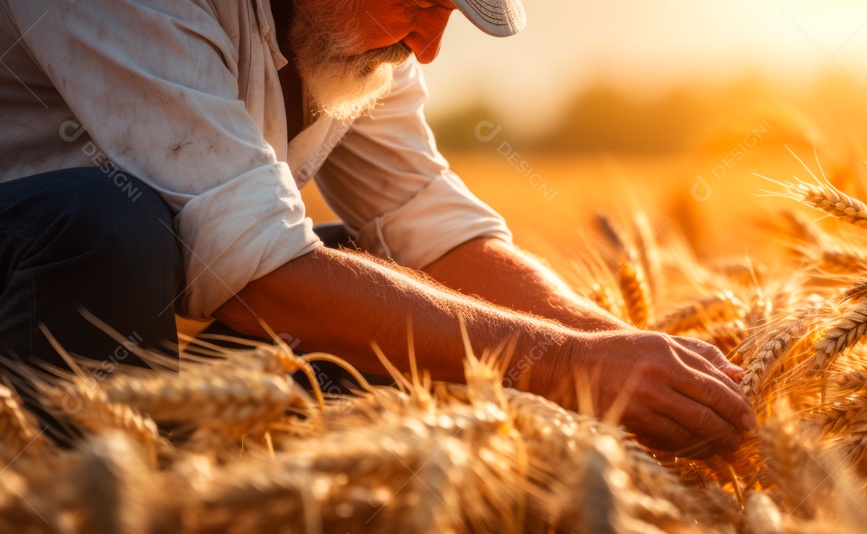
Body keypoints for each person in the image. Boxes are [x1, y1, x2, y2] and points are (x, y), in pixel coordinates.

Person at [0, 0, 756, 457]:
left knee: (386, 282)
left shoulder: (358, 37)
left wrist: (622, 356)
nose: (428, 47)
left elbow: (427, 221)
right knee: (105, 224)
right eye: (422, 2)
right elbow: (258, 275)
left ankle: (210, 486)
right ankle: (75, 490)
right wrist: (563, 367)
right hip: (32, 270)